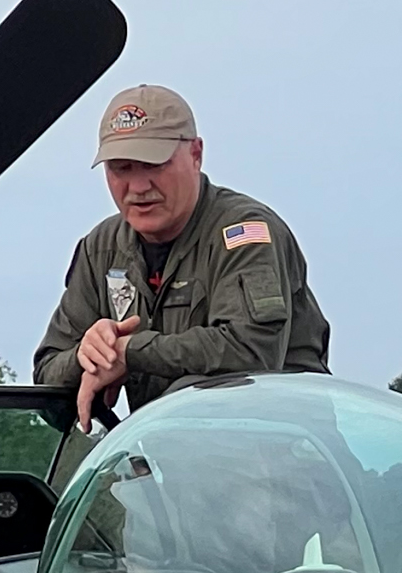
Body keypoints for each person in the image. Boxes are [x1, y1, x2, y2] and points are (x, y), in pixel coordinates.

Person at [32, 85, 330, 424]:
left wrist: (130, 351)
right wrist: (90, 354)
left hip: (279, 441)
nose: (138, 186)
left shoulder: (244, 234)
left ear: (196, 154)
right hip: (165, 448)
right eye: (121, 168)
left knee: (195, 391)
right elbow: (47, 382)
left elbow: (250, 354)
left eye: (154, 164)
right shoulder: (101, 249)